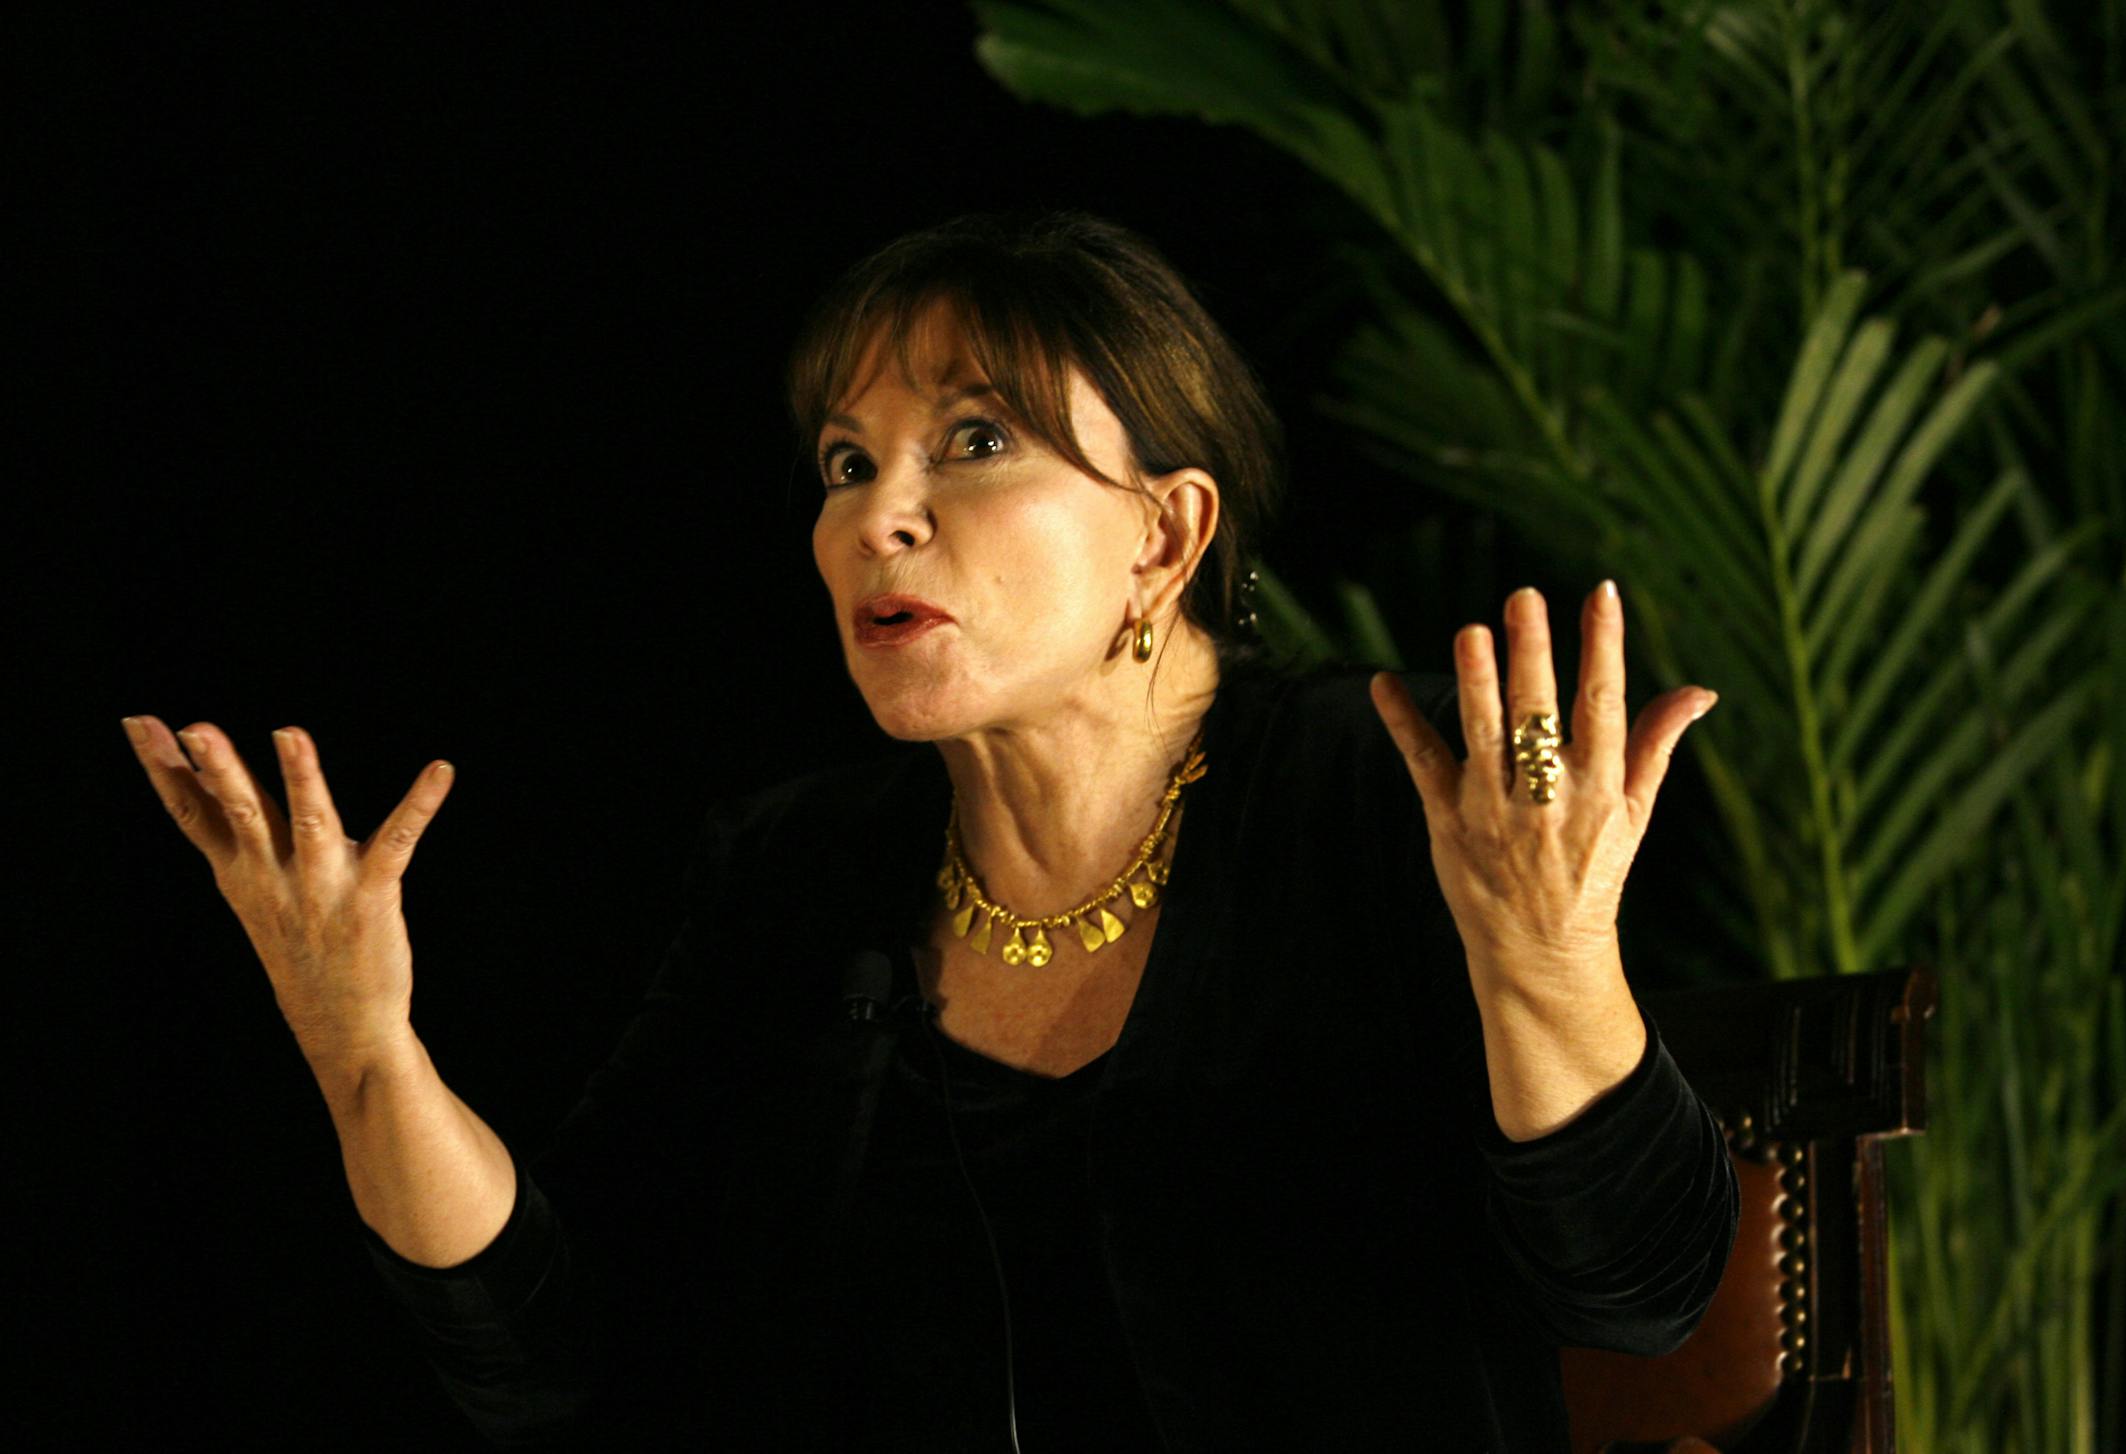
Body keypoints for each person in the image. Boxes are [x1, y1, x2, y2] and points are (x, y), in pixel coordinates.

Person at [122, 209, 1737, 1451]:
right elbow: (556, 1352)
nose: (873, 516)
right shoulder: (795, 872)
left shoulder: (1379, 800)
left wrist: (1551, 969)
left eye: (974, 441)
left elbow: (1642, 1293)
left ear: (1166, 536)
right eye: (845, 461)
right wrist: (368, 1054)